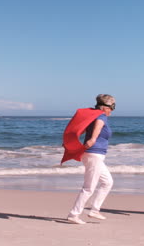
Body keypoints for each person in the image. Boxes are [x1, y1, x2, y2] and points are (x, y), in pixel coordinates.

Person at [61, 94, 116, 224]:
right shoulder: (101, 116)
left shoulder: (95, 116)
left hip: (94, 155)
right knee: (88, 188)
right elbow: (97, 128)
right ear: (105, 107)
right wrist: (93, 139)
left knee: (107, 182)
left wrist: (70, 141)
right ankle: (73, 214)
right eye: (112, 107)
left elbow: (80, 130)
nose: (113, 110)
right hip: (94, 154)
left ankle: (94, 210)